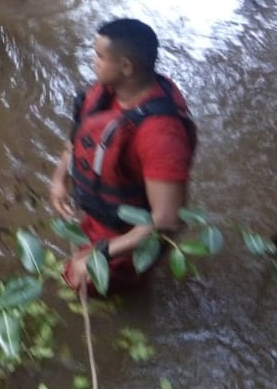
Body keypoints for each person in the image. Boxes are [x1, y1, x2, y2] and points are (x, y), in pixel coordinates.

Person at [47, 18, 196, 293]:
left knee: (85, 288)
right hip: (101, 217)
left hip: (131, 236)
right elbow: (78, 139)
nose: (93, 61)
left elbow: (165, 221)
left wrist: (101, 254)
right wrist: (59, 179)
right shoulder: (106, 92)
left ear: (126, 66)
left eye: (100, 56)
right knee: (69, 277)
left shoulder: (161, 136)